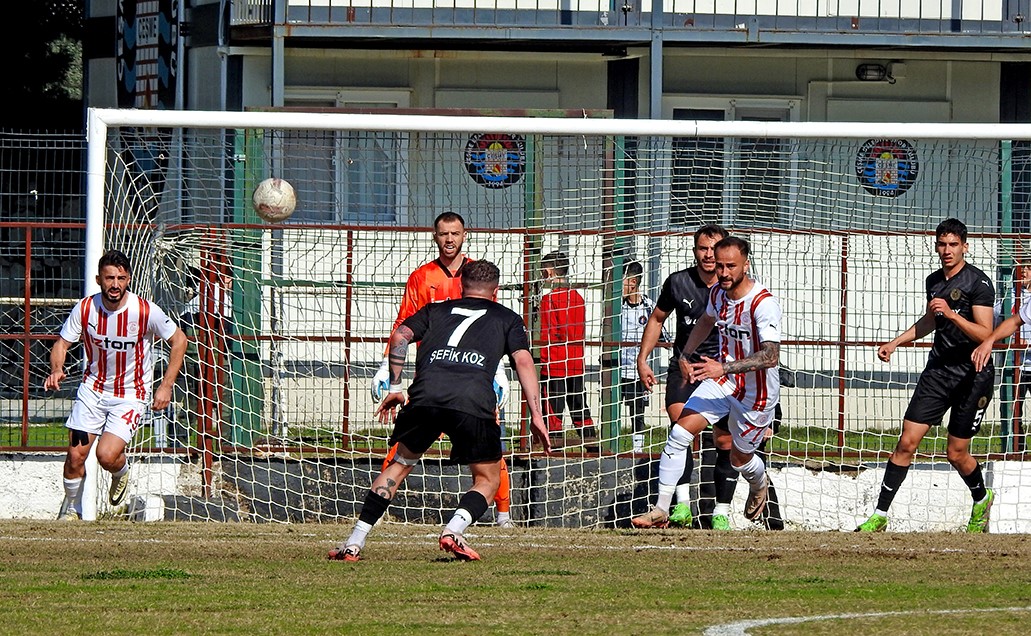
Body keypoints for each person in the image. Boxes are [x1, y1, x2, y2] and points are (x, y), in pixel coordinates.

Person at [329, 260, 550, 562]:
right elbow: (524, 363)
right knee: (487, 479)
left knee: (398, 466)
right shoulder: (507, 318)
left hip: (426, 396)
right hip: (472, 401)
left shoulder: (436, 310)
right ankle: (453, 530)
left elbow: (400, 336)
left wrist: (395, 387)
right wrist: (536, 415)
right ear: (495, 290)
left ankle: (354, 543)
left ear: (461, 285)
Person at [369, 212, 514, 527]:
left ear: (465, 235)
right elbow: (404, 323)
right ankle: (376, 511)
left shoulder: (478, 274)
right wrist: (386, 366)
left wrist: (499, 370)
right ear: (435, 237)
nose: (450, 240)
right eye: (444, 234)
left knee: (490, 445)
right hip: (432, 377)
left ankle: (503, 515)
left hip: (476, 376)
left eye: (455, 233)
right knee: (402, 445)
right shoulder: (421, 278)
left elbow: (493, 323)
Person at [633, 236, 782, 530]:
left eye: (731, 266)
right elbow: (705, 321)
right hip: (723, 382)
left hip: (757, 394)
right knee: (679, 434)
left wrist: (722, 367)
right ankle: (662, 508)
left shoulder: (763, 304)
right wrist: (685, 354)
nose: (724, 272)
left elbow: (771, 356)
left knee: (740, 458)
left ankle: (759, 481)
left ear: (745, 265)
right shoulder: (718, 294)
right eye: (721, 265)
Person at [857, 218, 996, 533]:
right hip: (938, 372)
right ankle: (880, 514)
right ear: (937, 246)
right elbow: (929, 321)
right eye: (942, 244)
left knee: (956, 453)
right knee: (906, 442)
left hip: (973, 375)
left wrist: (951, 314)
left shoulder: (978, 283)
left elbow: (985, 333)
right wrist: (895, 342)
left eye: (953, 245)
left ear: (965, 246)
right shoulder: (934, 280)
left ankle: (981, 498)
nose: (947, 251)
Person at [44, 249, 187, 520]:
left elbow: (179, 341)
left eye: (121, 278)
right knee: (75, 457)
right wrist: (57, 369)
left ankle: (120, 473)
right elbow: (61, 344)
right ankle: (71, 511)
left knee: (106, 456)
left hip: (130, 394)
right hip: (93, 390)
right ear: (99, 279)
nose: (115, 285)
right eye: (110, 278)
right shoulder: (86, 308)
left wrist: (166, 386)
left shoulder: (145, 311)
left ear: (128, 279)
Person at [633, 224, 741, 530]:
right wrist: (643, 359)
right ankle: (680, 506)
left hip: (722, 374)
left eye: (714, 249)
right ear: (695, 251)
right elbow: (656, 319)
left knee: (724, 441)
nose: (708, 256)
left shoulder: (735, 288)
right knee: (681, 430)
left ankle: (720, 510)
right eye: (702, 249)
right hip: (685, 368)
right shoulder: (678, 282)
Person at [538, 251, 596, 449]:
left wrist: (542, 360)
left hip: (554, 363)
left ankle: (553, 447)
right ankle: (592, 445)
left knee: (553, 410)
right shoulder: (577, 297)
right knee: (579, 407)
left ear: (548, 272)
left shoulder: (549, 300)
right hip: (575, 363)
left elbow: (548, 333)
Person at [619, 261, 668, 452]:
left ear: (632, 282)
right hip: (617, 368)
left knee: (637, 410)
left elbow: (663, 335)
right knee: (612, 408)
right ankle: (611, 445)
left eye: (621, 281)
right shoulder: (617, 308)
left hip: (638, 370)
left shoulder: (648, 307)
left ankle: (637, 448)